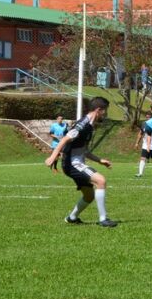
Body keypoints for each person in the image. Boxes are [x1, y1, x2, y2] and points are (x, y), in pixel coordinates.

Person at [44, 97, 117, 227]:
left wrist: (100, 160)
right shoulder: (83, 124)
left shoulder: (90, 126)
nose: (105, 114)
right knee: (101, 181)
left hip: (76, 162)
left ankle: (72, 218)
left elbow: (84, 151)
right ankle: (103, 219)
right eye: (105, 111)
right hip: (72, 163)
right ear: (98, 110)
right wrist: (52, 156)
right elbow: (65, 139)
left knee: (89, 196)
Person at [135, 111, 152, 178]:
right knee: (142, 158)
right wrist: (137, 143)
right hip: (145, 144)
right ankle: (140, 173)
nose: (148, 118)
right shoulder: (144, 124)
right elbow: (140, 133)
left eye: (149, 117)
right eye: (147, 117)